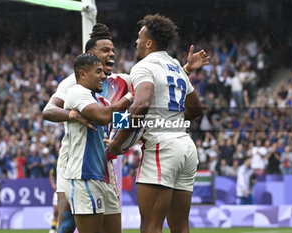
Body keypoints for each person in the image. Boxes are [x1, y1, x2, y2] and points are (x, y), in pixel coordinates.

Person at [42, 23, 209, 233]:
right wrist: (73, 115)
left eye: (113, 50)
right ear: (90, 55)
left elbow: (157, 86)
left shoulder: (124, 81)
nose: (112, 54)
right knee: (67, 224)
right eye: (105, 50)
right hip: (75, 162)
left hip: (106, 164)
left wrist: (184, 70)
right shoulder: (74, 83)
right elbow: (48, 110)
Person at [107, 14, 205, 233]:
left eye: (139, 38)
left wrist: (117, 143)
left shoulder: (143, 67)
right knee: (180, 226)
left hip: (163, 148)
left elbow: (141, 105)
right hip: (186, 148)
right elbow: (196, 109)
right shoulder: (176, 66)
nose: (136, 42)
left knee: (151, 226)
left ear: (149, 43)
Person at [63, 53, 131, 233]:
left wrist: (120, 140)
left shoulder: (103, 100)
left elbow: (124, 124)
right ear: (83, 74)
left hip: (104, 175)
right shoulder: (77, 93)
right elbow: (103, 117)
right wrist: (131, 96)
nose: (104, 76)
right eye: (98, 71)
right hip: (85, 174)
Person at [49, 160, 58, 233]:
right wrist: (53, 184)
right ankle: (53, 228)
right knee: (56, 212)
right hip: (59, 190)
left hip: (70, 189)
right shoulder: (57, 162)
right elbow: (51, 173)